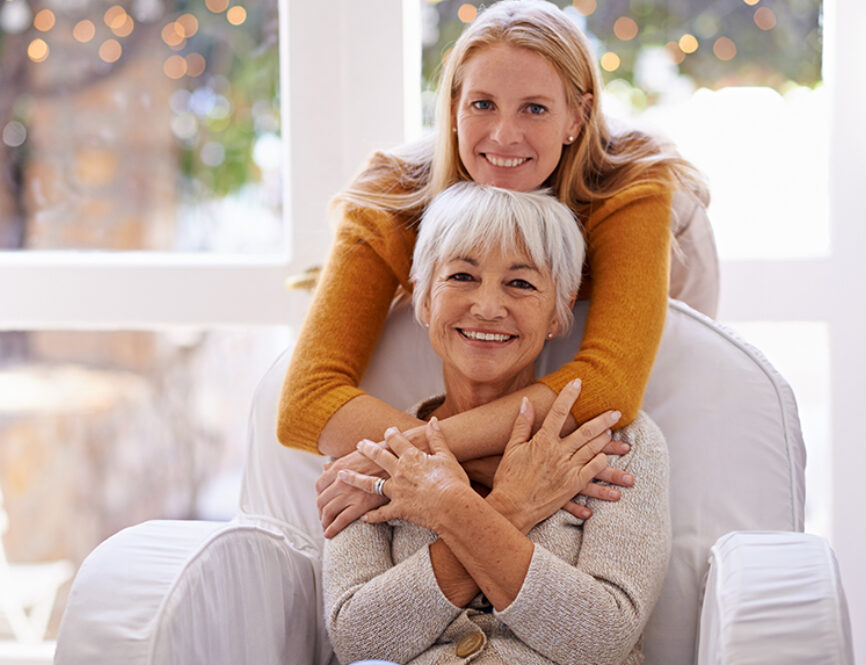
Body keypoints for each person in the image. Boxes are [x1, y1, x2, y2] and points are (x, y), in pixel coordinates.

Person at [276, 0, 708, 537]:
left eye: (534, 109)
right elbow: (306, 401)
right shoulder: (389, 192)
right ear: (453, 105)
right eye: (482, 104)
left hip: (679, 282)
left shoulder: (630, 182)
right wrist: (468, 470)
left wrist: (412, 461)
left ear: (578, 116)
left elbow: (610, 384)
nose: (504, 135)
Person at [323, 182, 671, 665]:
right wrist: (512, 506)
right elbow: (361, 642)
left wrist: (449, 508)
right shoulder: (370, 454)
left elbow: (602, 637)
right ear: (424, 299)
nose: (487, 306)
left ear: (559, 310)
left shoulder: (612, 442)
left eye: (522, 283)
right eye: (462, 276)